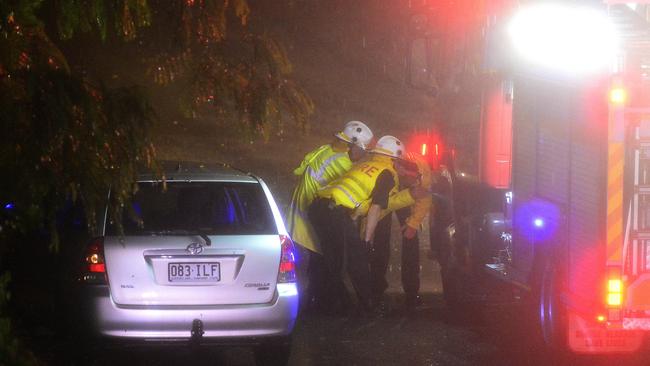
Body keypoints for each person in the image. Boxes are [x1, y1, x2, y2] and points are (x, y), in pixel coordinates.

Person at [309, 135, 406, 315]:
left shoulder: (366, 164)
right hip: (333, 211)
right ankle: (365, 304)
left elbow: (353, 200)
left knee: (335, 259)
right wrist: (367, 240)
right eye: (400, 162)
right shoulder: (387, 174)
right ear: (393, 159)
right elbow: (375, 208)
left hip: (319, 207)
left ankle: (335, 302)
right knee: (354, 258)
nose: (401, 168)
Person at [286, 120, 373, 311]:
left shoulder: (327, 150)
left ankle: (319, 302)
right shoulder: (341, 162)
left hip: (302, 214)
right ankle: (319, 305)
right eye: (362, 150)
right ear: (352, 145)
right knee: (322, 264)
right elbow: (351, 189)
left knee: (320, 263)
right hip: (312, 217)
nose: (362, 155)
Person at [368, 152, 433, 310]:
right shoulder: (387, 173)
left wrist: (413, 223)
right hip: (385, 196)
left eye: (416, 182)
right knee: (380, 240)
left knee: (411, 239)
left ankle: (412, 293)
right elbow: (380, 205)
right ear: (401, 172)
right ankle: (376, 291)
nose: (414, 185)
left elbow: (424, 198)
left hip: (404, 198)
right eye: (410, 181)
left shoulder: (423, 174)